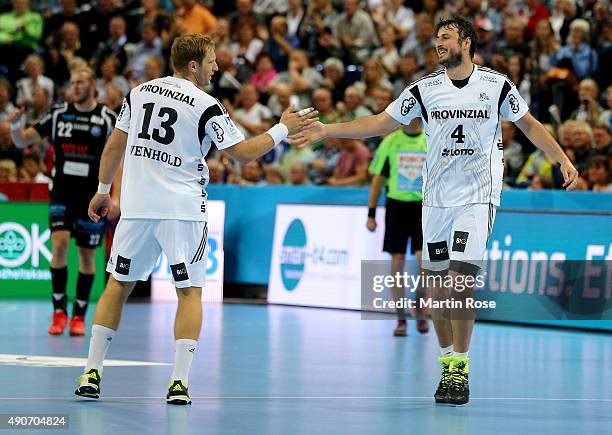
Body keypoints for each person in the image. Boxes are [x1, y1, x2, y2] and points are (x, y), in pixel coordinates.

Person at [291, 17, 578, 406]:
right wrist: (328, 130)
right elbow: (379, 123)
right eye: (436, 39)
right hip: (436, 200)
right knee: (438, 287)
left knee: (461, 280)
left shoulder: (496, 86)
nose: (438, 44)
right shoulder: (425, 90)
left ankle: (460, 367)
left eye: (446, 38)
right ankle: (447, 365)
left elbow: (528, 124)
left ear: (467, 42)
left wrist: (560, 157)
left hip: (477, 197)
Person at [74, 33, 317, 405]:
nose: (216, 67)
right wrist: (282, 128)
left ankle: (92, 372)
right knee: (188, 293)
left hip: (137, 209)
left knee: (117, 285)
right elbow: (242, 154)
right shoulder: (206, 104)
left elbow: (113, 146)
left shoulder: (137, 94)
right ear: (193, 65)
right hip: (182, 212)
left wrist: (104, 189)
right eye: (212, 61)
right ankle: (178, 383)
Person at [9, 67, 117, 337]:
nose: (75, 87)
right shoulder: (58, 114)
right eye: (72, 83)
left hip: (92, 196)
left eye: (80, 82)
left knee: (87, 255)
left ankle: (79, 315)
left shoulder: (107, 118)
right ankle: (59, 311)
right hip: (62, 192)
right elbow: (22, 140)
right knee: (58, 246)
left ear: (93, 85)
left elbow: (121, 156)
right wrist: (14, 126)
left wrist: (116, 196)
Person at [367, 118, 428, 337]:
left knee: (425, 262)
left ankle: (419, 304)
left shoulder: (431, 139)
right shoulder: (390, 142)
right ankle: (400, 317)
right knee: (398, 260)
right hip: (397, 207)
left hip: (424, 207)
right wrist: (371, 213)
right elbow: (378, 180)